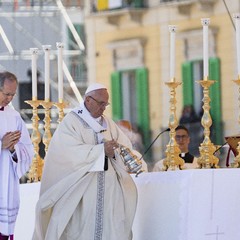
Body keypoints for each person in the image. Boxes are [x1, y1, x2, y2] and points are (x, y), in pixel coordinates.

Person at [33, 83, 138, 240]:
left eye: (106, 104)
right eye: (101, 103)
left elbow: (124, 146)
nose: (104, 108)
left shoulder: (108, 123)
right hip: (81, 192)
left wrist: (120, 154)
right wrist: (101, 151)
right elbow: (66, 153)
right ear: (88, 100)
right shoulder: (72, 121)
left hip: (109, 192)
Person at [0, 71, 34, 240]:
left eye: (13, 95)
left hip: (7, 187)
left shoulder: (14, 116)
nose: (10, 99)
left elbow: (27, 149)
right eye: (6, 94)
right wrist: (1, 145)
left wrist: (14, 150)